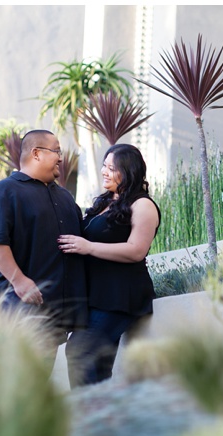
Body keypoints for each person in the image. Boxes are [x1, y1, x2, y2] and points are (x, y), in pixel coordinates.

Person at [0, 129, 88, 358]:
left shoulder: (65, 197)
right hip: (18, 305)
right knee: (20, 380)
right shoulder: (4, 192)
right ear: (36, 153)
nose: (61, 157)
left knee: (38, 382)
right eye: (56, 150)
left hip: (54, 310)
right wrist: (20, 282)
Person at [59, 143, 161, 387]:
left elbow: (137, 250)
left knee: (79, 352)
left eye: (111, 168)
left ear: (128, 172)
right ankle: (101, 418)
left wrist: (89, 247)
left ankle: (90, 416)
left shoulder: (143, 205)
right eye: (104, 165)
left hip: (120, 296)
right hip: (95, 297)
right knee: (97, 366)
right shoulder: (105, 202)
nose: (104, 171)